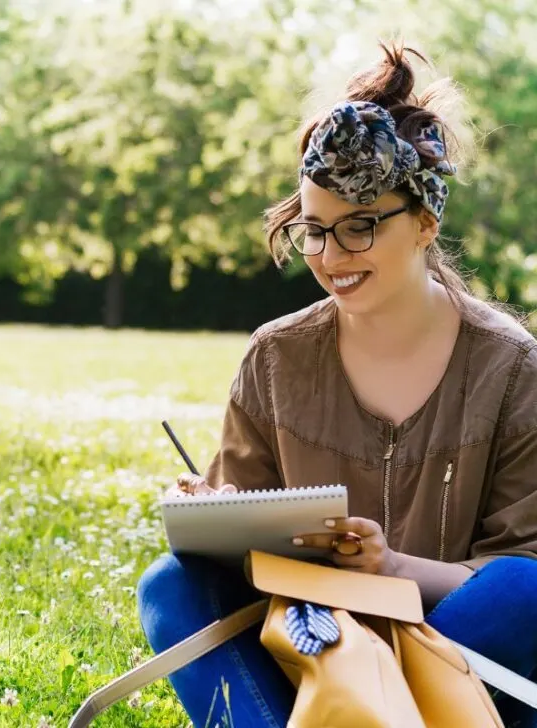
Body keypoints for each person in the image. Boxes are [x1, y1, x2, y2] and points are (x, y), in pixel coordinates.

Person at [137, 42, 537, 728]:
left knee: (527, 590)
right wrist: (209, 514)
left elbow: (518, 570)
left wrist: (391, 567)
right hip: (314, 651)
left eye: (359, 228)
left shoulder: (511, 368)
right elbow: (239, 543)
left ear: (424, 223)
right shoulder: (277, 358)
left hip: (457, 662)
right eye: (314, 231)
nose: (331, 256)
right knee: (172, 586)